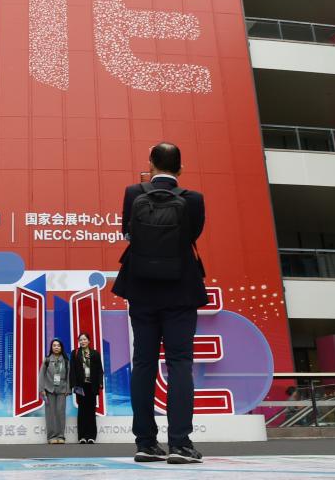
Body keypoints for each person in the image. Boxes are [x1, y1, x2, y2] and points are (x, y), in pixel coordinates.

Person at [112, 142, 207, 464]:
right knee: (180, 363)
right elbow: (192, 235)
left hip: (142, 288)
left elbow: (128, 233)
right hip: (180, 289)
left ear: (150, 164)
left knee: (144, 363)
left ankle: (145, 443)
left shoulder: (132, 193)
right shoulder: (193, 199)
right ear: (181, 168)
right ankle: (180, 444)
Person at [69, 332, 103, 445]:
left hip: (92, 386)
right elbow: (72, 370)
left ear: (89, 341)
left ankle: (91, 436)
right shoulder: (75, 353)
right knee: (82, 411)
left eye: (84, 339)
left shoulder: (95, 353)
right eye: (80, 340)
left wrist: (100, 383)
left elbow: (99, 370)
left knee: (91, 410)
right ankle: (82, 437)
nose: (82, 341)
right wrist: (73, 385)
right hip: (80, 386)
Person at [41, 338, 70, 444]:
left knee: (60, 413)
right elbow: (41, 375)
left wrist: (68, 389)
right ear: (51, 348)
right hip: (49, 390)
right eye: (54, 345)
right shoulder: (47, 360)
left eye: (58, 345)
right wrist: (42, 389)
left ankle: (61, 436)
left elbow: (69, 376)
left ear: (61, 347)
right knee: (50, 414)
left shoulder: (66, 361)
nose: (56, 347)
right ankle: (51, 437)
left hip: (62, 390)